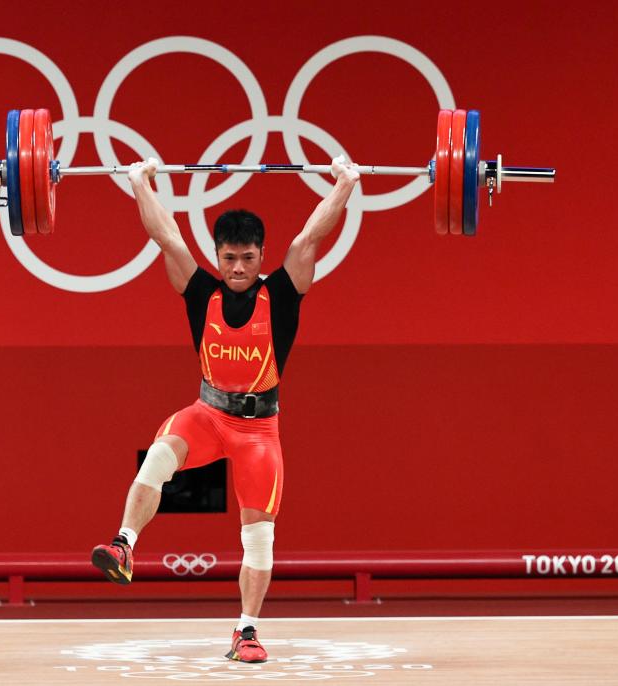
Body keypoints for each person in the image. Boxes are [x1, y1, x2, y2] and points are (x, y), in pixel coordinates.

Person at [91, 155, 361, 663]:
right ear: (218, 255)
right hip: (208, 416)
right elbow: (167, 237)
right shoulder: (201, 293)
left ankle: (246, 631)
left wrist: (344, 183)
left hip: (259, 431)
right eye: (230, 258)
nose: (238, 269)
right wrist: (138, 183)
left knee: (258, 535)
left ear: (261, 257)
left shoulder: (281, 294)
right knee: (159, 455)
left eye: (249, 258)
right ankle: (124, 544)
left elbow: (308, 240)